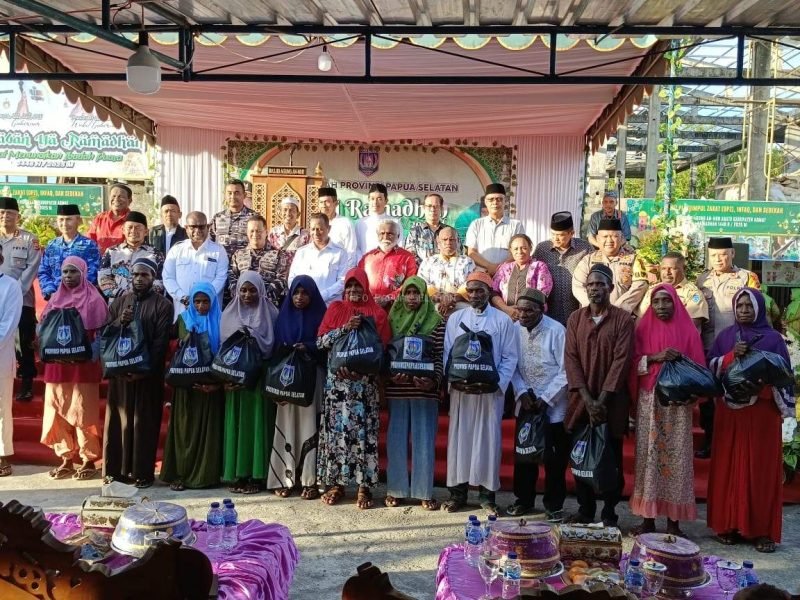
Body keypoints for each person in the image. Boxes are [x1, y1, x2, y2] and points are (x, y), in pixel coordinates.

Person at [707, 288, 794, 554]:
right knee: (729, 468)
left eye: (749, 305)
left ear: (759, 309)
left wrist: (762, 385)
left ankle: (761, 531)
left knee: (760, 471)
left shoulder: (774, 339)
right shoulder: (725, 337)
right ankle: (728, 525)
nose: (744, 310)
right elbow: (710, 369)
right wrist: (731, 356)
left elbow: (785, 377)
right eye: (740, 305)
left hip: (762, 413)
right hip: (731, 415)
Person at [628, 284, 705, 536]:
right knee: (648, 458)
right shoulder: (642, 328)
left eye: (666, 301)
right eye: (657, 301)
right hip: (650, 401)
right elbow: (632, 363)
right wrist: (655, 357)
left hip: (677, 405)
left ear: (675, 303)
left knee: (676, 458)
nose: (661, 306)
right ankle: (648, 520)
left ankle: (674, 522)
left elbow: (698, 368)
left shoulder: (688, 330)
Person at [442, 271, 518, 514]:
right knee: (459, 441)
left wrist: (497, 385)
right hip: (462, 392)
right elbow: (448, 353)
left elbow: (510, 357)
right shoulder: (456, 318)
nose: (474, 295)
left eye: (479, 290)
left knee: (488, 441)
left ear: (489, 292)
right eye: (471, 290)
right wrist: (454, 382)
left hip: (489, 393)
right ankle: (457, 494)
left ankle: (487, 497)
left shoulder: (502, 321)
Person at [564, 264, 634, 526]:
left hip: (611, 403)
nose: (595, 289)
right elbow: (571, 359)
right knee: (581, 455)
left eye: (600, 284)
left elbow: (621, 361)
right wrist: (588, 400)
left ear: (611, 288)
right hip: (581, 400)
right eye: (591, 284)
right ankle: (585, 509)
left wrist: (601, 402)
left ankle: (609, 512)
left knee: (611, 458)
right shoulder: (575, 319)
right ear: (586, 289)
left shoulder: (623, 320)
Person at [316, 268, 391, 510]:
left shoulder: (377, 314)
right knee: (337, 436)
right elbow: (321, 342)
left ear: (366, 287)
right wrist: (345, 328)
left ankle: (363, 487)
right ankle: (337, 484)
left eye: (358, 285)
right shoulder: (335, 309)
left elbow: (382, 352)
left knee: (363, 437)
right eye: (349, 285)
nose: (353, 290)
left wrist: (365, 373)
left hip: (363, 388)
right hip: (337, 388)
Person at [103, 257, 173, 488]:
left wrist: (145, 371)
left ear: (153, 278)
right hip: (120, 375)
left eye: (144, 275)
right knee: (118, 422)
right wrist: (119, 322)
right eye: (135, 275)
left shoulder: (163, 305)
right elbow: (106, 335)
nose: (139, 279)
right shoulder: (119, 303)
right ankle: (116, 472)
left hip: (148, 376)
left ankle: (142, 473)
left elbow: (160, 342)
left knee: (144, 424)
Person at [40, 257, 108, 481]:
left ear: (83, 273)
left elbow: (101, 333)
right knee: (57, 411)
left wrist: (90, 357)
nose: (68, 276)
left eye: (73, 272)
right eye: (65, 272)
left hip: (83, 367)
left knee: (83, 412)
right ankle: (66, 458)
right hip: (57, 367)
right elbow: (43, 329)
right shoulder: (54, 299)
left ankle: (88, 459)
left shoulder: (94, 299)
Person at [506, 288, 569, 521]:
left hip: (554, 406)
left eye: (529, 310)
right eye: (520, 310)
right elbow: (511, 365)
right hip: (526, 403)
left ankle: (553, 505)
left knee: (554, 460)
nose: (523, 315)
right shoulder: (514, 330)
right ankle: (523, 500)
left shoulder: (557, 331)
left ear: (542, 310)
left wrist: (546, 399)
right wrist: (522, 393)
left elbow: (566, 371)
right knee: (524, 456)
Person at [695, 236, 760, 459]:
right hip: (708, 347)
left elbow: (757, 309)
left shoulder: (747, 278)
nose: (718, 259)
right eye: (714, 255)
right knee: (708, 398)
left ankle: (734, 444)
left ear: (732, 253)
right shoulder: (701, 279)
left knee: (733, 395)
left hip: (737, 347)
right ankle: (710, 441)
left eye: (723, 254)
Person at [384, 276, 445, 511]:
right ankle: (396, 489)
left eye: (416, 293)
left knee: (424, 441)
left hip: (425, 392)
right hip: (397, 389)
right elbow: (386, 353)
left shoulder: (436, 322)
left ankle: (424, 491)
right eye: (407, 293)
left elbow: (439, 356)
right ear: (401, 296)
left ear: (423, 295)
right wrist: (390, 376)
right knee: (396, 440)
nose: (412, 297)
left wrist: (433, 381)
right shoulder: (392, 320)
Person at [160, 283, 225, 490]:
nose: (201, 306)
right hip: (185, 387)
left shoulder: (221, 320)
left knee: (207, 433)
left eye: (205, 301)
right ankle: (180, 474)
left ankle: (205, 476)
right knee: (184, 431)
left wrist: (217, 384)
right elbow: (169, 347)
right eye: (197, 301)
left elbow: (225, 354)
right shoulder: (183, 320)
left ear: (212, 302)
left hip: (210, 386)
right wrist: (182, 342)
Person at [267, 276, 327, 499]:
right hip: (286, 382)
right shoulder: (283, 318)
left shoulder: (322, 316)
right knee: (287, 425)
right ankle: (284, 478)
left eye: (305, 293)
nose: (299, 297)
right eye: (296, 293)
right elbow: (276, 351)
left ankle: (309, 481)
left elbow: (327, 345)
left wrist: (308, 347)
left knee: (310, 425)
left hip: (312, 380)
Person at [221, 272, 276, 495]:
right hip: (236, 380)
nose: (247, 294)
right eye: (243, 290)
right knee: (238, 424)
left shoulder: (271, 313)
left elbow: (274, 346)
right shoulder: (229, 313)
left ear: (260, 291)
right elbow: (223, 349)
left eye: (252, 290)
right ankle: (239, 474)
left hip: (259, 379)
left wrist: (253, 338)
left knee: (257, 424)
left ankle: (257, 475)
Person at [0, 197, 40, 402]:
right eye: (2, 212)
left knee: (23, 343)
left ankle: (26, 383)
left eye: (10, 213)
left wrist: (13, 292)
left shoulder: (29, 240)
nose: (5, 216)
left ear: (18, 216)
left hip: (22, 300)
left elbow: (31, 269)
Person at [572, 217, 648, 314]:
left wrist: (617, 310)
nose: (609, 240)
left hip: (622, 316)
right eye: (605, 236)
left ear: (621, 238)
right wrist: (594, 307)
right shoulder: (588, 260)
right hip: (592, 316)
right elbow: (578, 286)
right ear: (597, 239)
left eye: (614, 236)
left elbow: (639, 286)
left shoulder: (634, 259)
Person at [163, 211, 229, 320]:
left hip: (209, 314)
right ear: (186, 228)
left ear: (208, 227)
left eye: (201, 227)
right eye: (193, 227)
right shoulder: (176, 250)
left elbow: (221, 278)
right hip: (183, 312)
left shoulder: (219, 251)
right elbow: (168, 277)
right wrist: (183, 298)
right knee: (183, 332)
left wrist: (204, 297)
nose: (197, 230)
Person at [637, 252, 710, 346]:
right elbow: (640, 320)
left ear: (684, 269)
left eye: (673, 268)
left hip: (678, 347)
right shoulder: (652, 290)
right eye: (664, 268)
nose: (667, 273)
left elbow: (689, 326)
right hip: (651, 345)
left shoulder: (693, 294)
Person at [533, 211, 592, 326]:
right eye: (553, 234)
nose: (556, 238)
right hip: (549, 310)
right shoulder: (542, 248)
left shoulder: (584, 248)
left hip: (577, 308)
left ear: (572, 233)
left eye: (561, 235)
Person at [98, 211, 165, 302]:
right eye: (130, 227)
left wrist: (140, 295)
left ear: (146, 231)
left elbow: (160, 280)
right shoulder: (112, 252)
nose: (133, 231)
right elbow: (103, 277)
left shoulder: (156, 254)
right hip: (117, 303)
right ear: (123, 230)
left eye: (138, 228)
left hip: (146, 303)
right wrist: (123, 294)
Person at [38, 204, 100, 301]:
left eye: (69, 219)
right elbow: (44, 271)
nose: (64, 224)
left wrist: (77, 293)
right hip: (55, 298)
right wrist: (50, 291)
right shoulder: (52, 245)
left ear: (78, 220)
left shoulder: (89, 245)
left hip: (81, 299)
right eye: (61, 220)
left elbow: (93, 272)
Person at [288, 213, 353, 305]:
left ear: (328, 229)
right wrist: (301, 295)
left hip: (329, 305)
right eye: (313, 229)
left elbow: (342, 282)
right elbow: (292, 278)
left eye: (320, 229)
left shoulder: (340, 253)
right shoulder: (302, 252)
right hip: (304, 305)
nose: (316, 233)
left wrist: (321, 296)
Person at [228, 214, 288, 310]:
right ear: (247, 232)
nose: (255, 234)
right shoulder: (238, 255)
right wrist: (242, 297)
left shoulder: (278, 255)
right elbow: (232, 279)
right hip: (243, 307)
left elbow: (281, 279)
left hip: (268, 307)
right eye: (252, 231)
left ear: (266, 232)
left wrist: (262, 298)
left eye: (259, 231)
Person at [465, 183, 524, 276]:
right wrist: (489, 266)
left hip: (508, 274)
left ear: (505, 201)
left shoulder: (516, 225)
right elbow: (471, 252)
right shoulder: (476, 224)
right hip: (481, 274)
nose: (495, 202)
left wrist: (500, 268)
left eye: (499, 199)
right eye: (491, 199)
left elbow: (519, 252)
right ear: (486, 202)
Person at [491, 234, 553, 321]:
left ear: (530, 248)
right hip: (506, 317)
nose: (519, 252)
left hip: (532, 318)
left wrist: (523, 312)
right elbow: (494, 292)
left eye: (524, 248)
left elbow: (542, 294)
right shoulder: (504, 268)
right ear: (511, 250)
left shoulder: (539, 266)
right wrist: (506, 308)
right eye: (516, 249)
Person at [357, 220, 417, 310]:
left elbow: (410, 283)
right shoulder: (367, 257)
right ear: (377, 235)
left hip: (396, 309)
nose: (385, 237)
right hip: (367, 307)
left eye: (390, 234)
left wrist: (388, 298)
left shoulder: (408, 257)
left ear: (398, 236)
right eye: (382, 233)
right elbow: (358, 281)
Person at [417, 225, 475, 317]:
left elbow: (470, 284)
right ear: (438, 244)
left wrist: (452, 299)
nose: (448, 242)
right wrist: (441, 298)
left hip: (460, 305)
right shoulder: (428, 262)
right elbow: (422, 284)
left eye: (452, 239)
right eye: (444, 240)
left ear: (457, 242)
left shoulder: (467, 261)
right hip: (434, 304)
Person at [0, 248, 22, 477]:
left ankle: (2, 455)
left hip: (1, 355)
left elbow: (8, 325)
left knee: (1, 407)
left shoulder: (10, 286)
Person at [405, 193, 457, 265]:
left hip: (446, 270)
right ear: (424, 208)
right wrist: (427, 267)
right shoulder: (415, 232)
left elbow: (458, 255)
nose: (432, 209)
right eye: (429, 206)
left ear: (441, 209)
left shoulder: (450, 232)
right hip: (421, 270)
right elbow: (410, 256)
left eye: (436, 206)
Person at [210, 179, 256, 257]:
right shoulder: (217, 218)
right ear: (225, 195)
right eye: (229, 193)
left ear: (244, 195)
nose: (233, 196)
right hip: (221, 262)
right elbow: (210, 242)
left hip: (244, 262)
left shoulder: (254, 217)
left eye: (237, 193)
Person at [355, 183, 403, 256]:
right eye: (372, 199)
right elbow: (356, 248)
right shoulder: (361, 223)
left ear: (386, 201)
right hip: (366, 262)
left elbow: (400, 246)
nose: (375, 202)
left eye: (379, 199)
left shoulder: (395, 222)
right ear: (368, 200)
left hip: (390, 262)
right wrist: (363, 261)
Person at [88, 183, 132, 254]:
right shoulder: (100, 218)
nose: (116, 199)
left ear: (130, 201)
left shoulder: (134, 220)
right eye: (113, 196)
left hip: (124, 259)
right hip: (99, 259)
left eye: (121, 197)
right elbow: (90, 242)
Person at [318, 187, 358, 264]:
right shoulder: (316, 223)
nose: (323, 205)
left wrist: (345, 270)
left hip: (340, 268)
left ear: (336, 203)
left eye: (327, 201)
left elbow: (351, 251)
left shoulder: (345, 223)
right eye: (321, 202)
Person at [268, 196, 310, 261]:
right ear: (280, 213)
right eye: (285, 210)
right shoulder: (273, 232)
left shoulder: (305, 234)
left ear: (298, 214)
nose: (288, 213)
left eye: (292, 210)